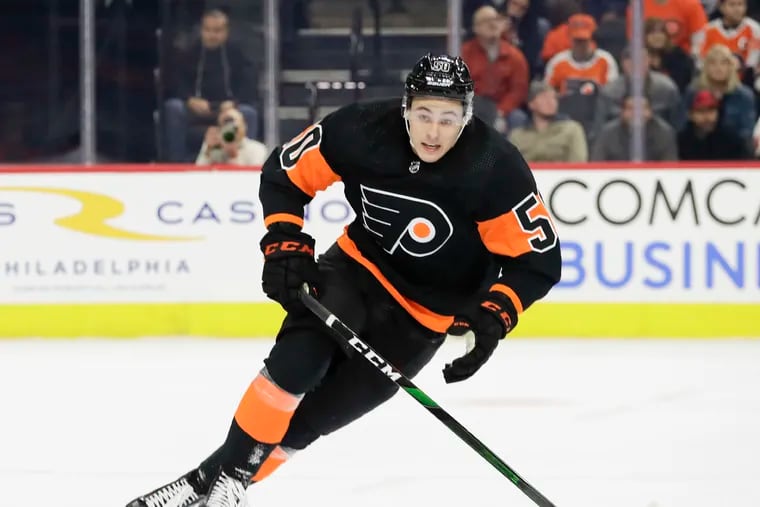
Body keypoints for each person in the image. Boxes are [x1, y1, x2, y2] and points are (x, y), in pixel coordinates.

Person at [125, 53, 562, 507]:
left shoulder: (494, 167)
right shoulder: (363, 129)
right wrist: (285, 242)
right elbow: (285, 175)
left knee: (312, 422)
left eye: (448, 119)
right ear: (406, 107)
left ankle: (204, 483)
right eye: (424, 115)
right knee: (296, 364)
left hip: (423, 319)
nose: (433, 132)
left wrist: (495, 314)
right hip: (355, 271)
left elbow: (538, 261)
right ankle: (228, 488)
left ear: (467, 117)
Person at [163, 8, 259, 162]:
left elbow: (249, 83)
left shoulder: (237, 53)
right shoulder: (189, 52)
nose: (212, 35)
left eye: (217, 30)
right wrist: (189, 99)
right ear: (201, 30)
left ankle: (244, 163)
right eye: (207, 30)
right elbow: (176, 81)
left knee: (248, 113)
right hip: (196, 108)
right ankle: (177, 163)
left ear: (226, 32)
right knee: (173, 108)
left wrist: (234, 103)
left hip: (228, 109)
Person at [461, 5, 530, 133]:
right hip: (473, 107)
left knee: (518, 118)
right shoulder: (464, 53)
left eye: (496, 20)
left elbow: (518, 90)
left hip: (504, 109)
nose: (493, 24)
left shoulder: (514, 56)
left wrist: (501, 112)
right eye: (486, 21)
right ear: (476, 28)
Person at [509, 81, 588, 162]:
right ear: (531, 104)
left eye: (554, 98)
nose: (550, 102)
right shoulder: (517, 136)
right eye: (544, 97)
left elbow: (578, 165)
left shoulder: (571, 130)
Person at [591, 95, 679, 161]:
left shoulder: (664, 133)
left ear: (650, 112)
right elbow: (597, 164)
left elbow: (669, 167)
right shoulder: (607, 133)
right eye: (630, 108)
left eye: (642, 108)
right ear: (622, 112)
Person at [678, 89, 751, 159]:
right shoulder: (681, 142)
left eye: (711, 110)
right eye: (700, 111)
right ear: (690, 114)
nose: (707, 117)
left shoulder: (733, 141)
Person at [196, 106, 268, 166]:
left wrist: (233, 155)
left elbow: (254, 178)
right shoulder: (212, 146)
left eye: (231, 121)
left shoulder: (257, 149)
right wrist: (207, 153)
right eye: (225, 122)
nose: (229, 128)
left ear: (244, 126)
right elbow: (198, 175)